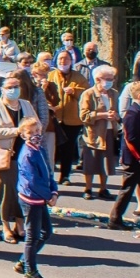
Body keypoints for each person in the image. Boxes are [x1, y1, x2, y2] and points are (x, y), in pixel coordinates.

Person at [0, 73, 35, 242]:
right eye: (9, 87)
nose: (13, 90)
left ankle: (19, 224)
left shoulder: (26, 105)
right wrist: (15, 131)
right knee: (8, 191)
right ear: (2, 90)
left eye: (16, 87)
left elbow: (37, 124)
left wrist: (31, 132)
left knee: (22, 190)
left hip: (25, 154)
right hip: (5, 154)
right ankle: (5, 226)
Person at [14, 116, 57, 278]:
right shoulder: (28, 154)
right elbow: (33, 181)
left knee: (46, 232)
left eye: (37, 131)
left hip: (40, 198)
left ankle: (24, 261)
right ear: (23, 135)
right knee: (32, 236)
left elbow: (48, 172)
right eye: (30, 132)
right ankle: (30, 272)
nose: (35, 135)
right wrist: (48, 196)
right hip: (31, 199)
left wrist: (54, 191)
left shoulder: (40, 149)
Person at [110, 81, 140, 229]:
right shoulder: (133, 113)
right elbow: (132, 137)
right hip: (135, 159)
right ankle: (115, 219)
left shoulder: (139, 112)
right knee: (128, 188)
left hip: (139, 159)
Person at [78, 66, 121, 200]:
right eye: (107, 79)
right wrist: (102, 115)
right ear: (97, 79)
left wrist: (116, 116)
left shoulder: (114, 93)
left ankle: (103, 188)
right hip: (93, 134)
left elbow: (118, 112)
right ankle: (88, 189)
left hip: (109, 132)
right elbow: (83, 115)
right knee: (90, 162)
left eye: (112, 79)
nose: (110, 82)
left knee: (106, 161)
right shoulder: (88, 94)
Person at [49, 52, 90, 186]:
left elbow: (87, 94)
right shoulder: (51, 76)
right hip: (54, 118)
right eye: (60, 58)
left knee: (68, 148)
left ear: (71, 61)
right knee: (52, 148)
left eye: (66, 59)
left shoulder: (79, 77)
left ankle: (65, 175)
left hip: (73, 119)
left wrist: (75, 91)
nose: (63, 61)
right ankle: (49, 176)